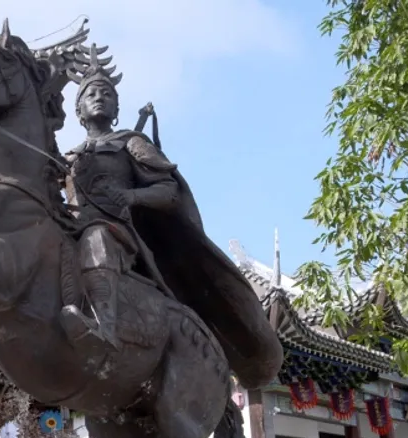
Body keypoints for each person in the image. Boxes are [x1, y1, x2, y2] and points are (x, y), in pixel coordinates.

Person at [61, 46, 281, 389]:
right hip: (72, 227)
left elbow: (169, 191)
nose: (100, 98)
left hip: (118, 234)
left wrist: (131, 196)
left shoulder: (130, 143)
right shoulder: (68, 157)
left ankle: (104, 327)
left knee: (96, 239)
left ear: (117, 109)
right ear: (78, 109)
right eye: (91, 94)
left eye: (107, 93)